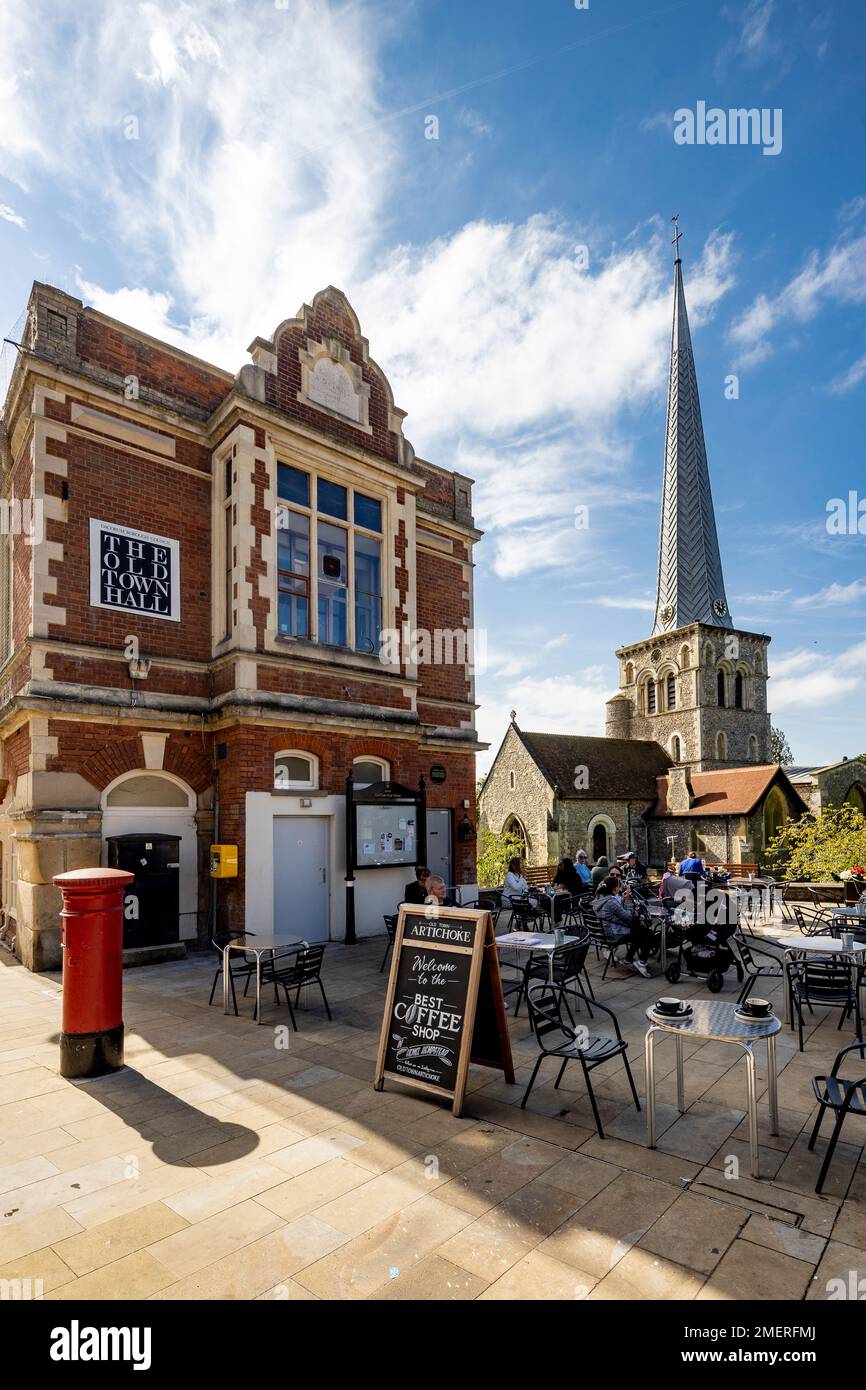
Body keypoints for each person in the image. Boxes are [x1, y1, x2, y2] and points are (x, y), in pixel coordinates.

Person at [592, 874, 655, 978]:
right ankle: (641, 962)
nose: (620, 887)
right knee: (646, 932)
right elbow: (628, 918)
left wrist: (623, 900)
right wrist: (629, 900)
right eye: (618, 886)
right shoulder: (611, 902)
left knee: (639, 928)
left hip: (605, 932)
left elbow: (615, 910)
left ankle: (629, 958)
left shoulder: (600, 898)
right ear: (614, 889)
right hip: (614, 934)